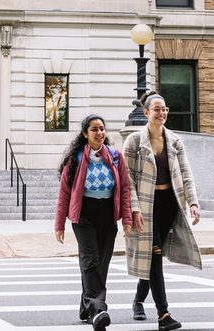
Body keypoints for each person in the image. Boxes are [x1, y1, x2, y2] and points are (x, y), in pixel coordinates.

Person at [123, 91, 202, 331]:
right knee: (155, 254)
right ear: (146, 112)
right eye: (157, 109)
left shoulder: (175, 141)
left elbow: (186, 174)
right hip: (147, 205)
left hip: (169, 204)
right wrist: (134, 209)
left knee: (152, 256)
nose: (162, 113)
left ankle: (138, 299)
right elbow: (128, 180)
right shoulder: (134, 142)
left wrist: (193, 203)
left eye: (164, 109)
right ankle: (164, 314)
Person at [54, 114, 132, 331]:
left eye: (102, 129)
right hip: (84, 214)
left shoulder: (115, 157)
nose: (99, 133)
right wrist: (59, 224)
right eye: (94, 129)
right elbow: (64, 193)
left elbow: (124, 188)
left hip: (108, 214)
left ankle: (86, 307)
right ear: (85, 134)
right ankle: (98, 310)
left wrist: (126, 219)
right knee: (90, 261)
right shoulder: (76, 159)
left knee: (101, 264)